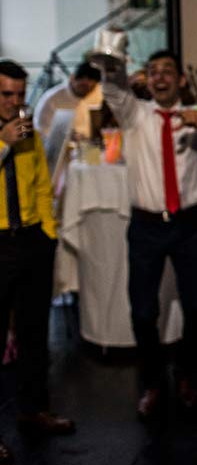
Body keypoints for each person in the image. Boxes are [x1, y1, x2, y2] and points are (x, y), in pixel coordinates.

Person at [100, 50, 197, 419]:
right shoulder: (134, 114)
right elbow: (113, 90)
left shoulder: (195, 115)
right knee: (144, 309)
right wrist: (115, 66)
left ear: (181, 79)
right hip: (146, 226)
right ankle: (151, 382)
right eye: (154, 72)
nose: (161, 77)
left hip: (189, 223)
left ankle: (187, 374)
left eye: (168, 71)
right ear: (146, 80)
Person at [0, 60, 75, 465]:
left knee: (33, 335)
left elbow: (43, 185)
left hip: (31, 239)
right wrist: (3, 142)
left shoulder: (32, 132)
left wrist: (48, 231)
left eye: (18, 93)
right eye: (5, 94)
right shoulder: (12, 135)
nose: (14, 101)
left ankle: (33, 411)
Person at [33, 61, 101, 171]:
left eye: (91, 88)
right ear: (72, 78)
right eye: (83, 86)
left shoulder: (96, 95)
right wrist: (69, 139)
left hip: (88, 150)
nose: (87, 91)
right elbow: (42, 134)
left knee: (98, 171)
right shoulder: (53, 99)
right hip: (60, 156)